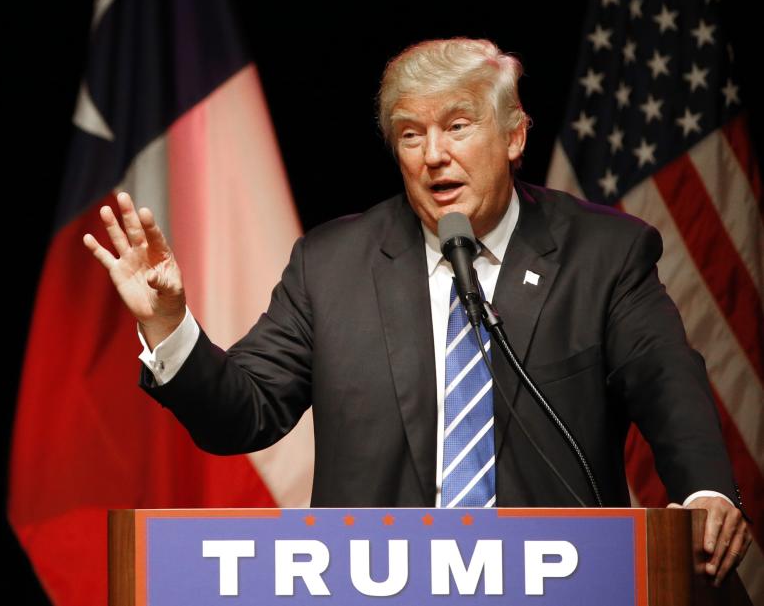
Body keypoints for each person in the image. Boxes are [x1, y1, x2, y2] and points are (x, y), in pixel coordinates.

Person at [83, 38, 750, 585]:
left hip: (561, 585)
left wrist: (705, 494)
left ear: (515, 135)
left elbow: (666, 380)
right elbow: (244, 410)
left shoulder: (604, 253)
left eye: (458, 126)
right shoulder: (332, 264)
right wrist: (168, 323)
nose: (434, 155)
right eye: (411, 134)